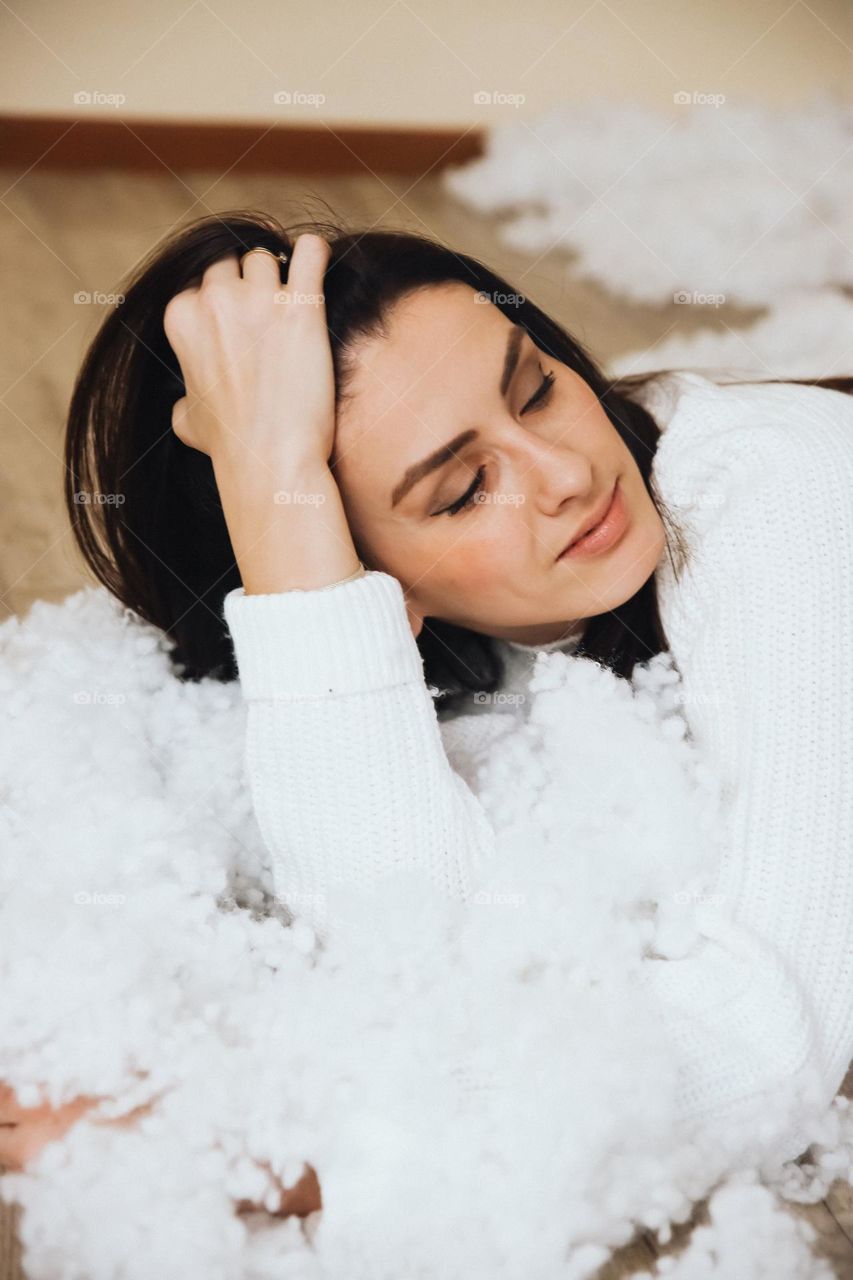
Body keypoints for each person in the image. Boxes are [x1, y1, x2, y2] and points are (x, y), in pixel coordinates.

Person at [5, 216, 853, 1213]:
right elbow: (429, 959)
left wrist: (255, 1145)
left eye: (534, 385)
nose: (567, 472)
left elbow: (758, 1051)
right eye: (462, 490)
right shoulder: (486, 641)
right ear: (375, 592)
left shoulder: (787, 512)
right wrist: (289, 534)